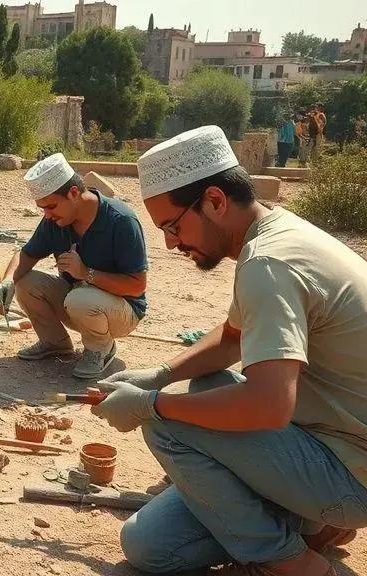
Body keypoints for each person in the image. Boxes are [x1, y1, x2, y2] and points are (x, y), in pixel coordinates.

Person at [95, 125, 367, 575]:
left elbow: (269, 405)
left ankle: (292, 563)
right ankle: (313, 525)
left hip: (350, 472)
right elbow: (233, 338)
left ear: (215, 201)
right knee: (150, 545)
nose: (170, 243)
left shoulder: (267, 264)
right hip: (325, 446)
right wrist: (159, 375)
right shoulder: (278, 233)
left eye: (173, 225)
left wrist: (152, 404)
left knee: (165, 424)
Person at [0, 153, 148, 379]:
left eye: (51, 206)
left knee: (80, 298)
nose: (47, 215)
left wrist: (86, 273)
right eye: (42, 208)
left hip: (122, 311)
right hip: (79, 303)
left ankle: (101, 349)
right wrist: (7, 282)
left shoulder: (121, 220)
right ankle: (55, 342)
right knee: (23, 281)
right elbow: (25, 255)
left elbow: (137, 286)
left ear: (74, 193)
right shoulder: (56, 220)